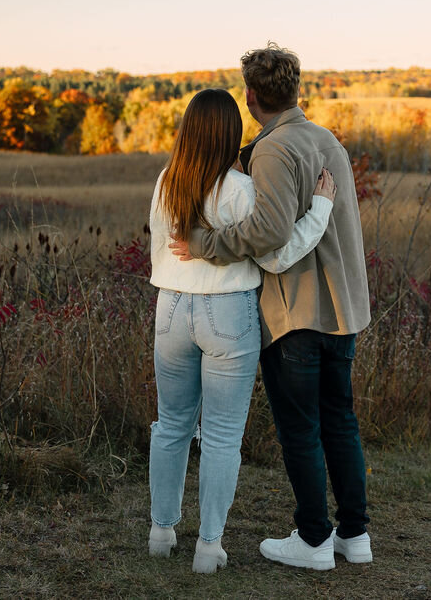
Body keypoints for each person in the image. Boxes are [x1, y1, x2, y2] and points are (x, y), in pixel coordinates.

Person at [170, 44, 372, 571]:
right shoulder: (327, 141)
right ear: (296, 90)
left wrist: (204, 244)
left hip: (298, 314)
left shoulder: (273, 150)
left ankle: (313, 540)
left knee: (300, 428)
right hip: (343, 310)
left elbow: (268, 232)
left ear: (251, 95)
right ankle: (355, 535)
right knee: (339, 421)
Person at [147, 88, 337, 573]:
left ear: (188, 130)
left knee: (171, 425)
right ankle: (208, 548)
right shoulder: (240, 189)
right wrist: (318, 209)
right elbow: (277, 254)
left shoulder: (166, 181)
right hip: (227, 312)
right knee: (222, 436)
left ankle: (161, 532)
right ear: (232, 134)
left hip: (170, 309)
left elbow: (159, 250)